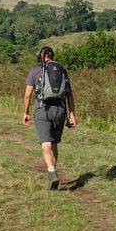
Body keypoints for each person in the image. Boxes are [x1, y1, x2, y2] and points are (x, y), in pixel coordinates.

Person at [23, 46, 77, 190]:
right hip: (60, 110)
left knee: (45, 142)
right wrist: (72, 115)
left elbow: (27, 94)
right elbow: (69, 95)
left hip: (42, 109)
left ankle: (51, 171)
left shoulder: (35, 70)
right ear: (52, 56)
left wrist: (26, 112)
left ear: (41, 57)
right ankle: (52, 172)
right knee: (54, 143)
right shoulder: (62, 70)